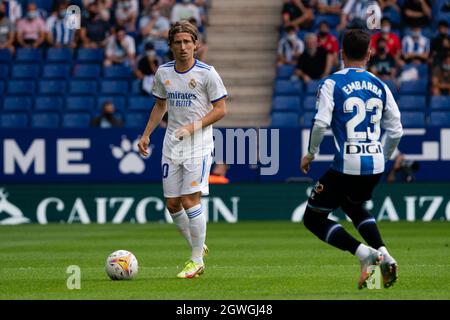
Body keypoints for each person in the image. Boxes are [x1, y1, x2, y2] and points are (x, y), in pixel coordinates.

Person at [300, 29, 403, 289]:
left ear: (341, 53)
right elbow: (397, 130)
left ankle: (364, 253)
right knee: (352, 206)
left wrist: (311, 153)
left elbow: (321, 122)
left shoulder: (331, 83)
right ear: (369, 54)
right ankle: (382, 260)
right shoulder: (380, 85)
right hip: (375, 164)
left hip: (348, 164)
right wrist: (384, 155)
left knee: (313, 219)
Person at [137, 20, 227, 279]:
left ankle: (196, 259)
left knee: (190, 200)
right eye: (178, 42)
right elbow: (160, 106)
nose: (183, 46)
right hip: (171, 144)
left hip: (198, 144)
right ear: (170, 46)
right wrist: (146, 135)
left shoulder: (207, 73)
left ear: (196, 45)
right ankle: (198, 247)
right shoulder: (163, 72)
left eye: (188, 42)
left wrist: (193, 127)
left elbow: (221, 109)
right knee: (172, 204)